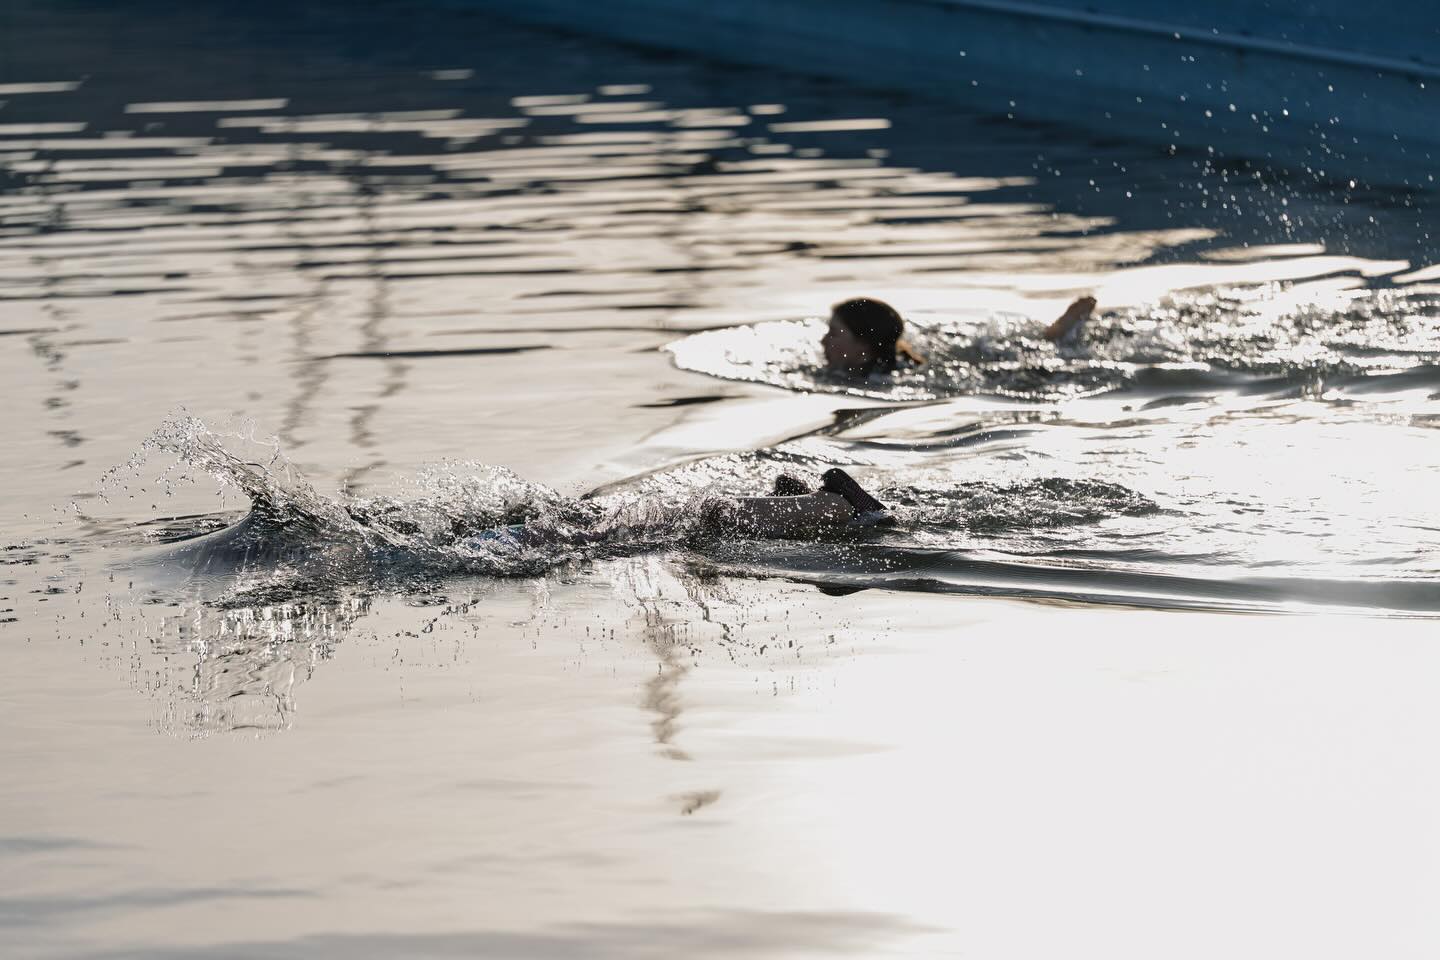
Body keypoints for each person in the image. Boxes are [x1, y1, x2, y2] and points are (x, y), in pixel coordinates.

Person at [467, 467, 891, 548]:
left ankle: (826, 505)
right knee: (698, 518)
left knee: (703, 515)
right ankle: (810, 505)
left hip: (854, 510)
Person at [820, 295, 1098, 375]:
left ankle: (1056, 336)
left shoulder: (885, 379)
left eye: (834, 334)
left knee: (1023, 360)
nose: (824, 341)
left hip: (984, 370)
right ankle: (1055, 335)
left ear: (864, 345)